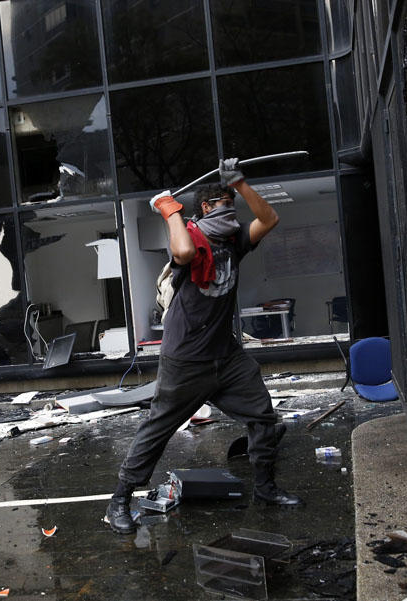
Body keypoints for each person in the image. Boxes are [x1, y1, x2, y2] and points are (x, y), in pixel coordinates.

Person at [105, 158, 304, 535]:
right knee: (157, 429)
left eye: (232, 200)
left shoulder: (234, 241)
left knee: (263, 417)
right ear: (205, 209)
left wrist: (241, 184)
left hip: (227, 357)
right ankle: (119, 500)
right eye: (222, 201)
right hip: (186, 360)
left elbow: (269, 219)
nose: (230, 206)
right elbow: (181, 254)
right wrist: (169, 209)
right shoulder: (192, 236)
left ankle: (265, 488)